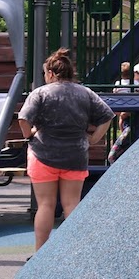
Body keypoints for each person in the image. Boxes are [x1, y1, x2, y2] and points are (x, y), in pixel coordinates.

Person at [18, 48, 115, 253]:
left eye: (45, 74)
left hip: (43, 154)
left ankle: (39, 253)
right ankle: (75, 254)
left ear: (51, 73)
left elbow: (23, 118)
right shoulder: (85, 93)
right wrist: (93, 138)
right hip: (76, 154)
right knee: (72, 204)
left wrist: (30, 136)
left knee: (45, 205)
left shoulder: (41, 93)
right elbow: (107, 115)